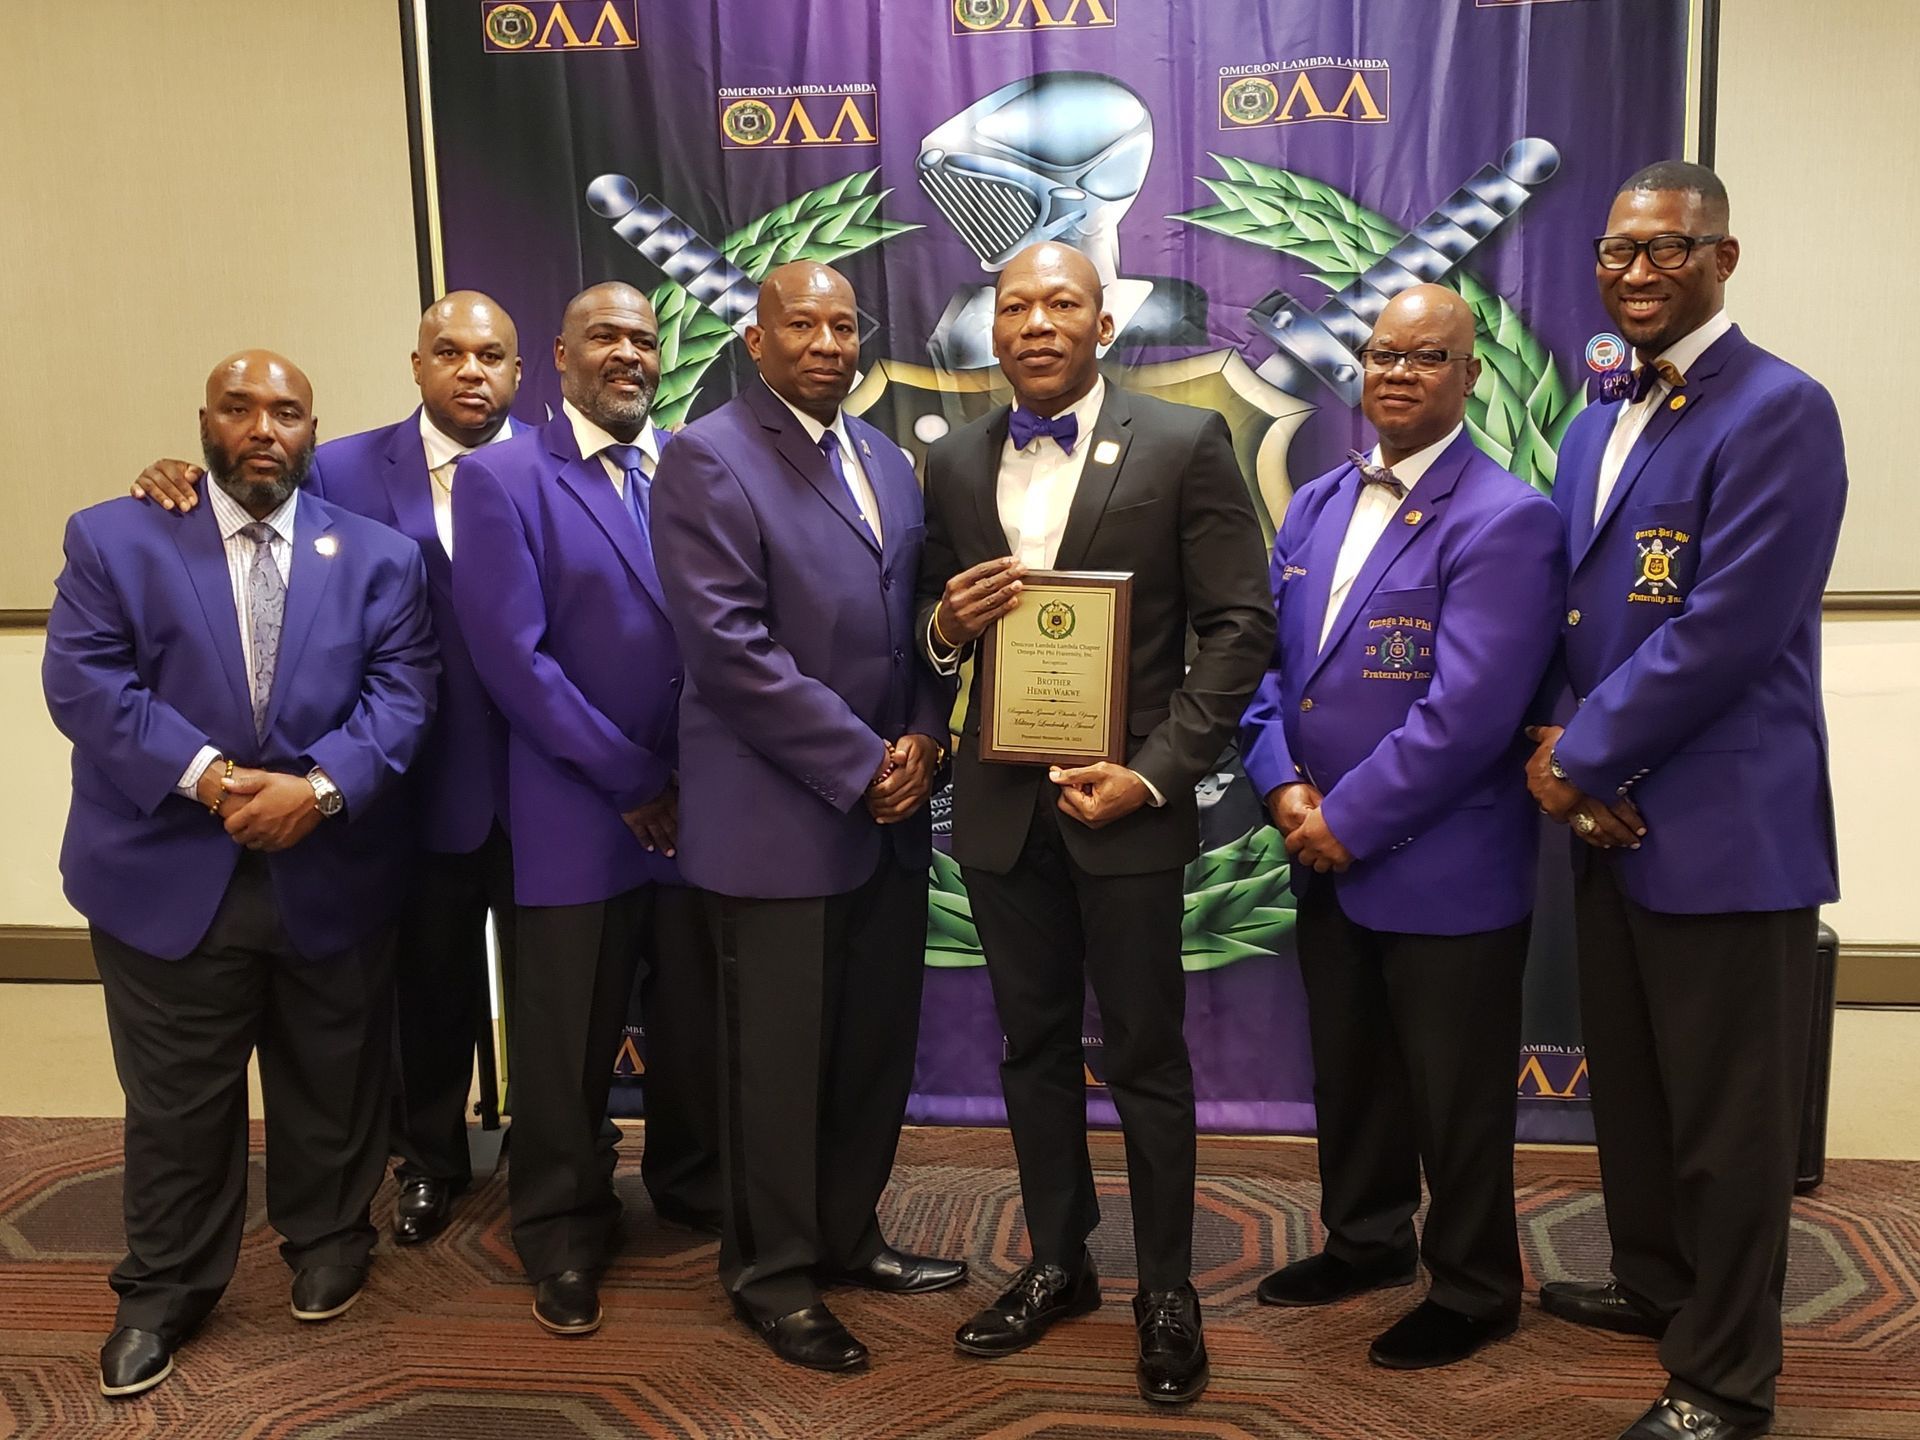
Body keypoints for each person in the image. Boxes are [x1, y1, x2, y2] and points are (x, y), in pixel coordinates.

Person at [917, 241, 1274, 1405]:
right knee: (1029, 1051)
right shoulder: (957, 460)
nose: (1034, 323)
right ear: (991, 329)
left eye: (1060, 303)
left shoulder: (1183, 444)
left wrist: (1159, 773)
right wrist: (942, 632)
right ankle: (1058, 1262)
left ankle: (1165, 1288)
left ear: (1104, 325)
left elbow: (1236, 626)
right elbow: (932, 632)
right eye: (1014, 306)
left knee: (1146, 1058)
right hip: (1005, 809)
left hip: (1127, 808)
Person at [43, 351, 439, 1398]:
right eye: (240, 407)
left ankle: (326, 1238)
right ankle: (166, 1287)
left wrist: (312, 793)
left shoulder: (379, 556)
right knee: (178, 1101)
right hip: (164, 871)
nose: (264, 426)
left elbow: (404, 698)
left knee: (334, 1075)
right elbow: (86, 685)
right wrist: (219, 783)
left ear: (315, 429)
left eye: (288, 411)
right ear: (206, 421)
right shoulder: (116, 535)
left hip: (331, 863)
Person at [1527, 161, 1847, 1440]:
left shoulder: (1780, 408)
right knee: (1644, 1093)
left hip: (1722, 827)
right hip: (1610, 814)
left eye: (1668, 249)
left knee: (1730, 1121)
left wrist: (1583, 760)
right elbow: (1570, 608)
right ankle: (1657, 1282)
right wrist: (1569, 748)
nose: (1638, 271)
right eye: (1619, 251)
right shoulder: (1595, 417)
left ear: (1725, 258)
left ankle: (1725, 1375)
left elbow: (1727, 630)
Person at [132, 293, 525, 1246]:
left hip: (547, 787)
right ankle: (426, 1158)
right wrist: (173, 480)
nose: (471, 370)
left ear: (523, 370)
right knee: (423, 992)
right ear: (417, 364)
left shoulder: (558, 464)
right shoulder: (337, 466)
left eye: (491, 356)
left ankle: (561, 1156)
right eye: (449, 352)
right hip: (402, 787)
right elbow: (244, 509)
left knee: (560, 995)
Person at [1239, 285, 1564, 1369]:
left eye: (1428, 358)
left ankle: (1474, 1287)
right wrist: (1284, 790)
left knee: (1457, 1093)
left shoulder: (1507, 518)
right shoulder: (1317, 501)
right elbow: (1269, 675)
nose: (1398, 373)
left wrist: (1348, 821)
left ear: (1470, 377)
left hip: (1446, 864)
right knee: (1355, 1068)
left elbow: (1469, 713)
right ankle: (1366, 1240)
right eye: (1383, 354)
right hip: (1318, 849)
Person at [650, 261, 965, 1373]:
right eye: (804, 324)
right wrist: (862, 760)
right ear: (756, 335)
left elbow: (915, 624)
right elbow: (730, 652)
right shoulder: (707, 458)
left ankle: (846, 1234)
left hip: (884, 812)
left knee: (869, 1049)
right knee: (777, 1067)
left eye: (844, 324)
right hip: (778, 818)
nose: (828, 343)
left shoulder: (884, 458)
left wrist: (924, 732)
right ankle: (773, 1276)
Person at [453, 281, 721, 1337]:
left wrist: (687, 782)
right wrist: (634, 783)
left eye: (645, 339)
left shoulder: (689, 466)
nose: (628, 355)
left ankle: (694, 1185)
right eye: (605, 337)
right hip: (579, 815)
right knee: (569, 1043)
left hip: (702, 811)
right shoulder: (503, 477)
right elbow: (515, 663)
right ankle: (562, 1228)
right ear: (558, 358)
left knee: (695, 1023)